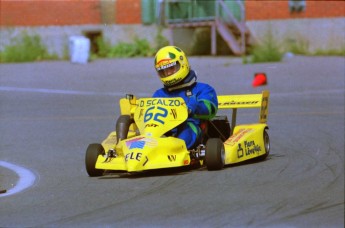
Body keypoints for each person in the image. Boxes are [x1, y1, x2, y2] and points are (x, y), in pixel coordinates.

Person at [153, 46, 218, 149]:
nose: (168, 73)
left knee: (184, 135)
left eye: (171, 68)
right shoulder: (159, 94)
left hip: (191, 126)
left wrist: (193, 107)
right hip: (163, 129)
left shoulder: (203, 89)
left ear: (182, 64)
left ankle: (173, 150)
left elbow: (211, 109)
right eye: (164, 71)